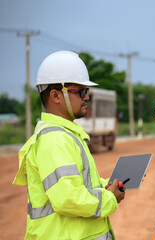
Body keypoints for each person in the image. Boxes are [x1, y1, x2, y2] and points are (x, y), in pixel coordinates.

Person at [13, 51, 125, 240]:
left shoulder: (66, 135)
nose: (86, 97)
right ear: (56, 96)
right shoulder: (54, 140)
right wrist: (110, 198)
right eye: (80, 91)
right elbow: (68, 199)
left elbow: (78, 185)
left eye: (86, 91)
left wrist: (107, 185)